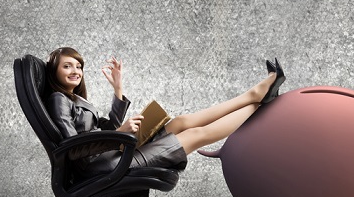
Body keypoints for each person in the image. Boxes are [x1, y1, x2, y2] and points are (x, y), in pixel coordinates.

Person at [44, 47, 285, 175]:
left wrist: (118, 89)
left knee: (180, 122)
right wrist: (119, 132)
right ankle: (258, 103)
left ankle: (253, 96)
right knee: (194, 135)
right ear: (54, 72)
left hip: (111, 152)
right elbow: (73, 148)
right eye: (67, 66)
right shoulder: (58, 99)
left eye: (79, 66)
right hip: (103, 165)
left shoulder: (73, 99)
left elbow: (105, 128)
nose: (75, 70)